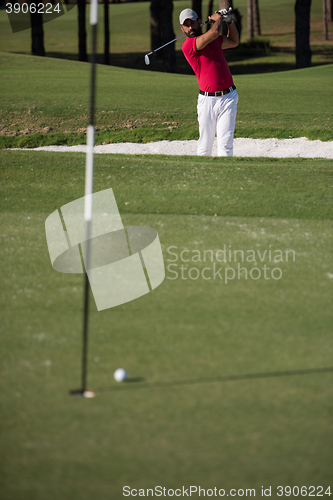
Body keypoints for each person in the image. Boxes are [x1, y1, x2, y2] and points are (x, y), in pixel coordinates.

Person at [179, 8, 239, 156]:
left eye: (193, 23)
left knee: (225, 145)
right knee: (204, 146)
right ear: (182, 28)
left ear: (199, 22)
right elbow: (214, 32)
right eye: (186, 25)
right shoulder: (189, 45)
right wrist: (218, 18)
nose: (191, 27)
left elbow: (234, 42)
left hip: (228, 98)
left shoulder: (214, 40)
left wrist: (229, 21)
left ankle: (225, 178)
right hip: (207, 101)